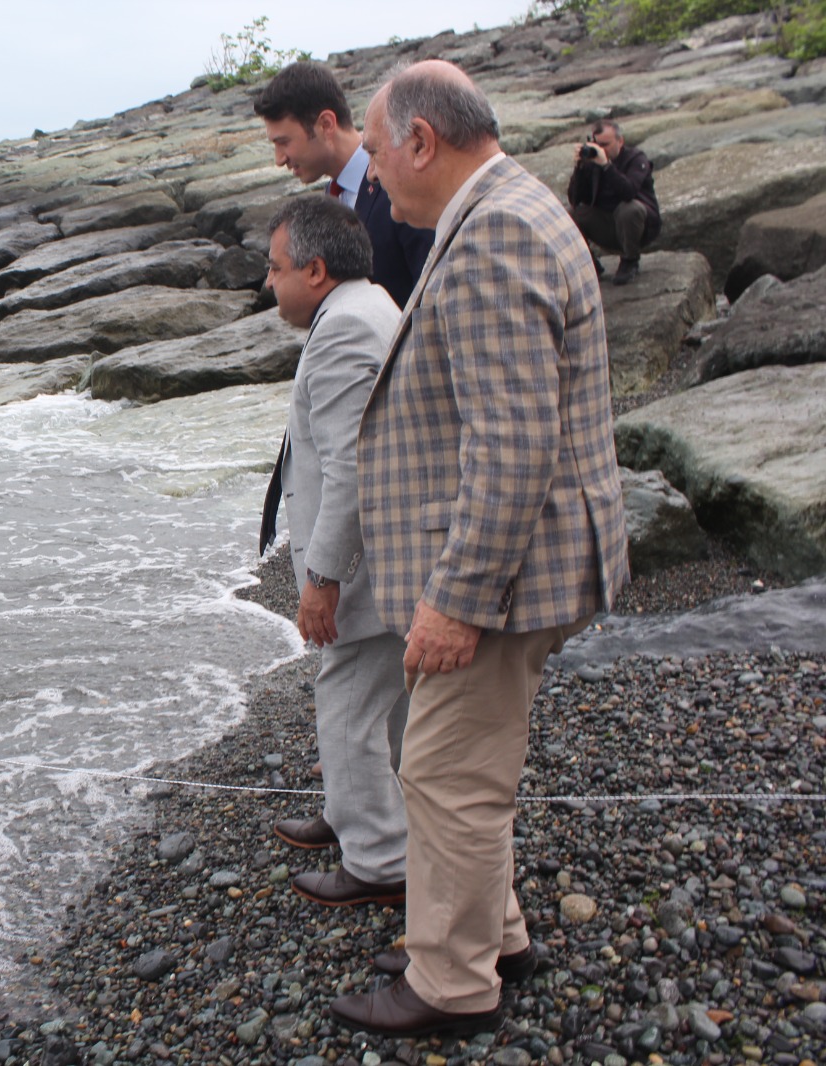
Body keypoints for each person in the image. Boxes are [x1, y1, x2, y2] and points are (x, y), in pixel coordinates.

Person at [333, 62, 629, 1037]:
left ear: (421, 140)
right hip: (529, 558)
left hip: (505, 572)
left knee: (446, 770)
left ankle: (452, 982)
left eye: (374, 153)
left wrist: (455, 599)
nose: (372, 178)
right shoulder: (509, 205)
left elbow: (513, 444)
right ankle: (491, 933)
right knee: (469, 761)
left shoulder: (494, 229)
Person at [261, 194, 410, 908]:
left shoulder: (347, 327)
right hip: (383, 559)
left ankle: (379, 862)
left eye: (275, 268)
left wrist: (322, 577)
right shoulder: (369, 303)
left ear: (315, 270)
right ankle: (368, 822)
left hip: (366, 567)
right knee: (384, 705)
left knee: (348, 703)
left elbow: (353, 467)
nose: (270, 283)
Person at [254, 61, 433, 310]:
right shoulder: (332, 196)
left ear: (326, 124)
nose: (279, 159)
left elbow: (432, 293)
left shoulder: (400, 184)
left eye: (283, 142)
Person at [567, 118, 660, 285]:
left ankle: (630, 260)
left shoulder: (636, 159)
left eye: (606, 145)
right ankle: (590, 263)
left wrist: (606, 166)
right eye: (597, 145)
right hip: (607, 225)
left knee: (629, 209)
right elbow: (575, 200)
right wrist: (579, 168)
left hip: (639, 228)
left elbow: (628, 192)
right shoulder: (592, 162)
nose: (601, 150)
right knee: (570, 215)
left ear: (620, 141)